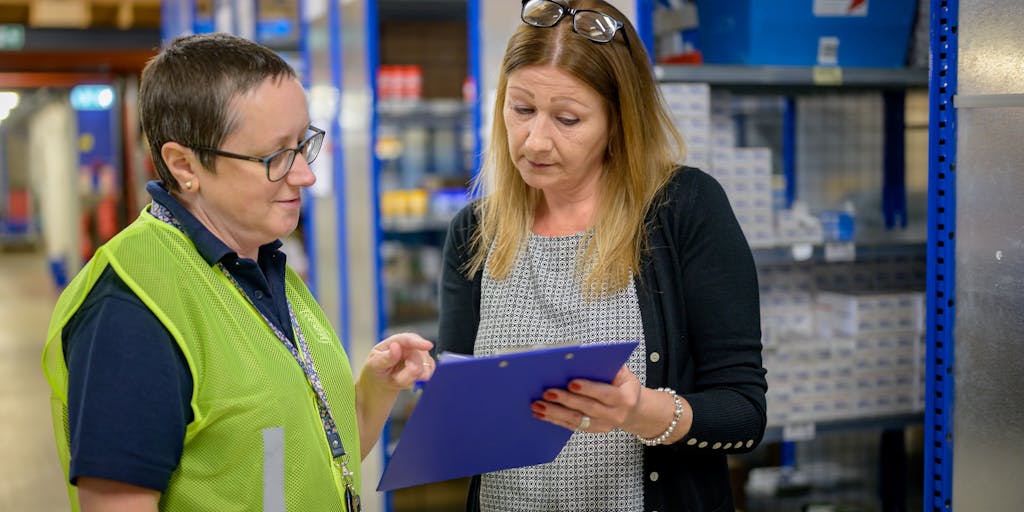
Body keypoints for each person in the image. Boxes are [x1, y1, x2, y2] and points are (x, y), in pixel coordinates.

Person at [41, 33, 434, 512]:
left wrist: (377, 388)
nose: (305, 175)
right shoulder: (130, 311)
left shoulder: (259, 261)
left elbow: (315, 456)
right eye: (274, 157)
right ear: (184, 164)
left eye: (302, 143)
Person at [437, 1, 767, 511]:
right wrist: (421, 383)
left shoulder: (682, 210)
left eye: (567, 119)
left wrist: (642, 410)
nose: (536, 140)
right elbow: (462, 418)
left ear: (619, 120)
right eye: (521, 109)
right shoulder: (475, 232)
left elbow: (744, 414)